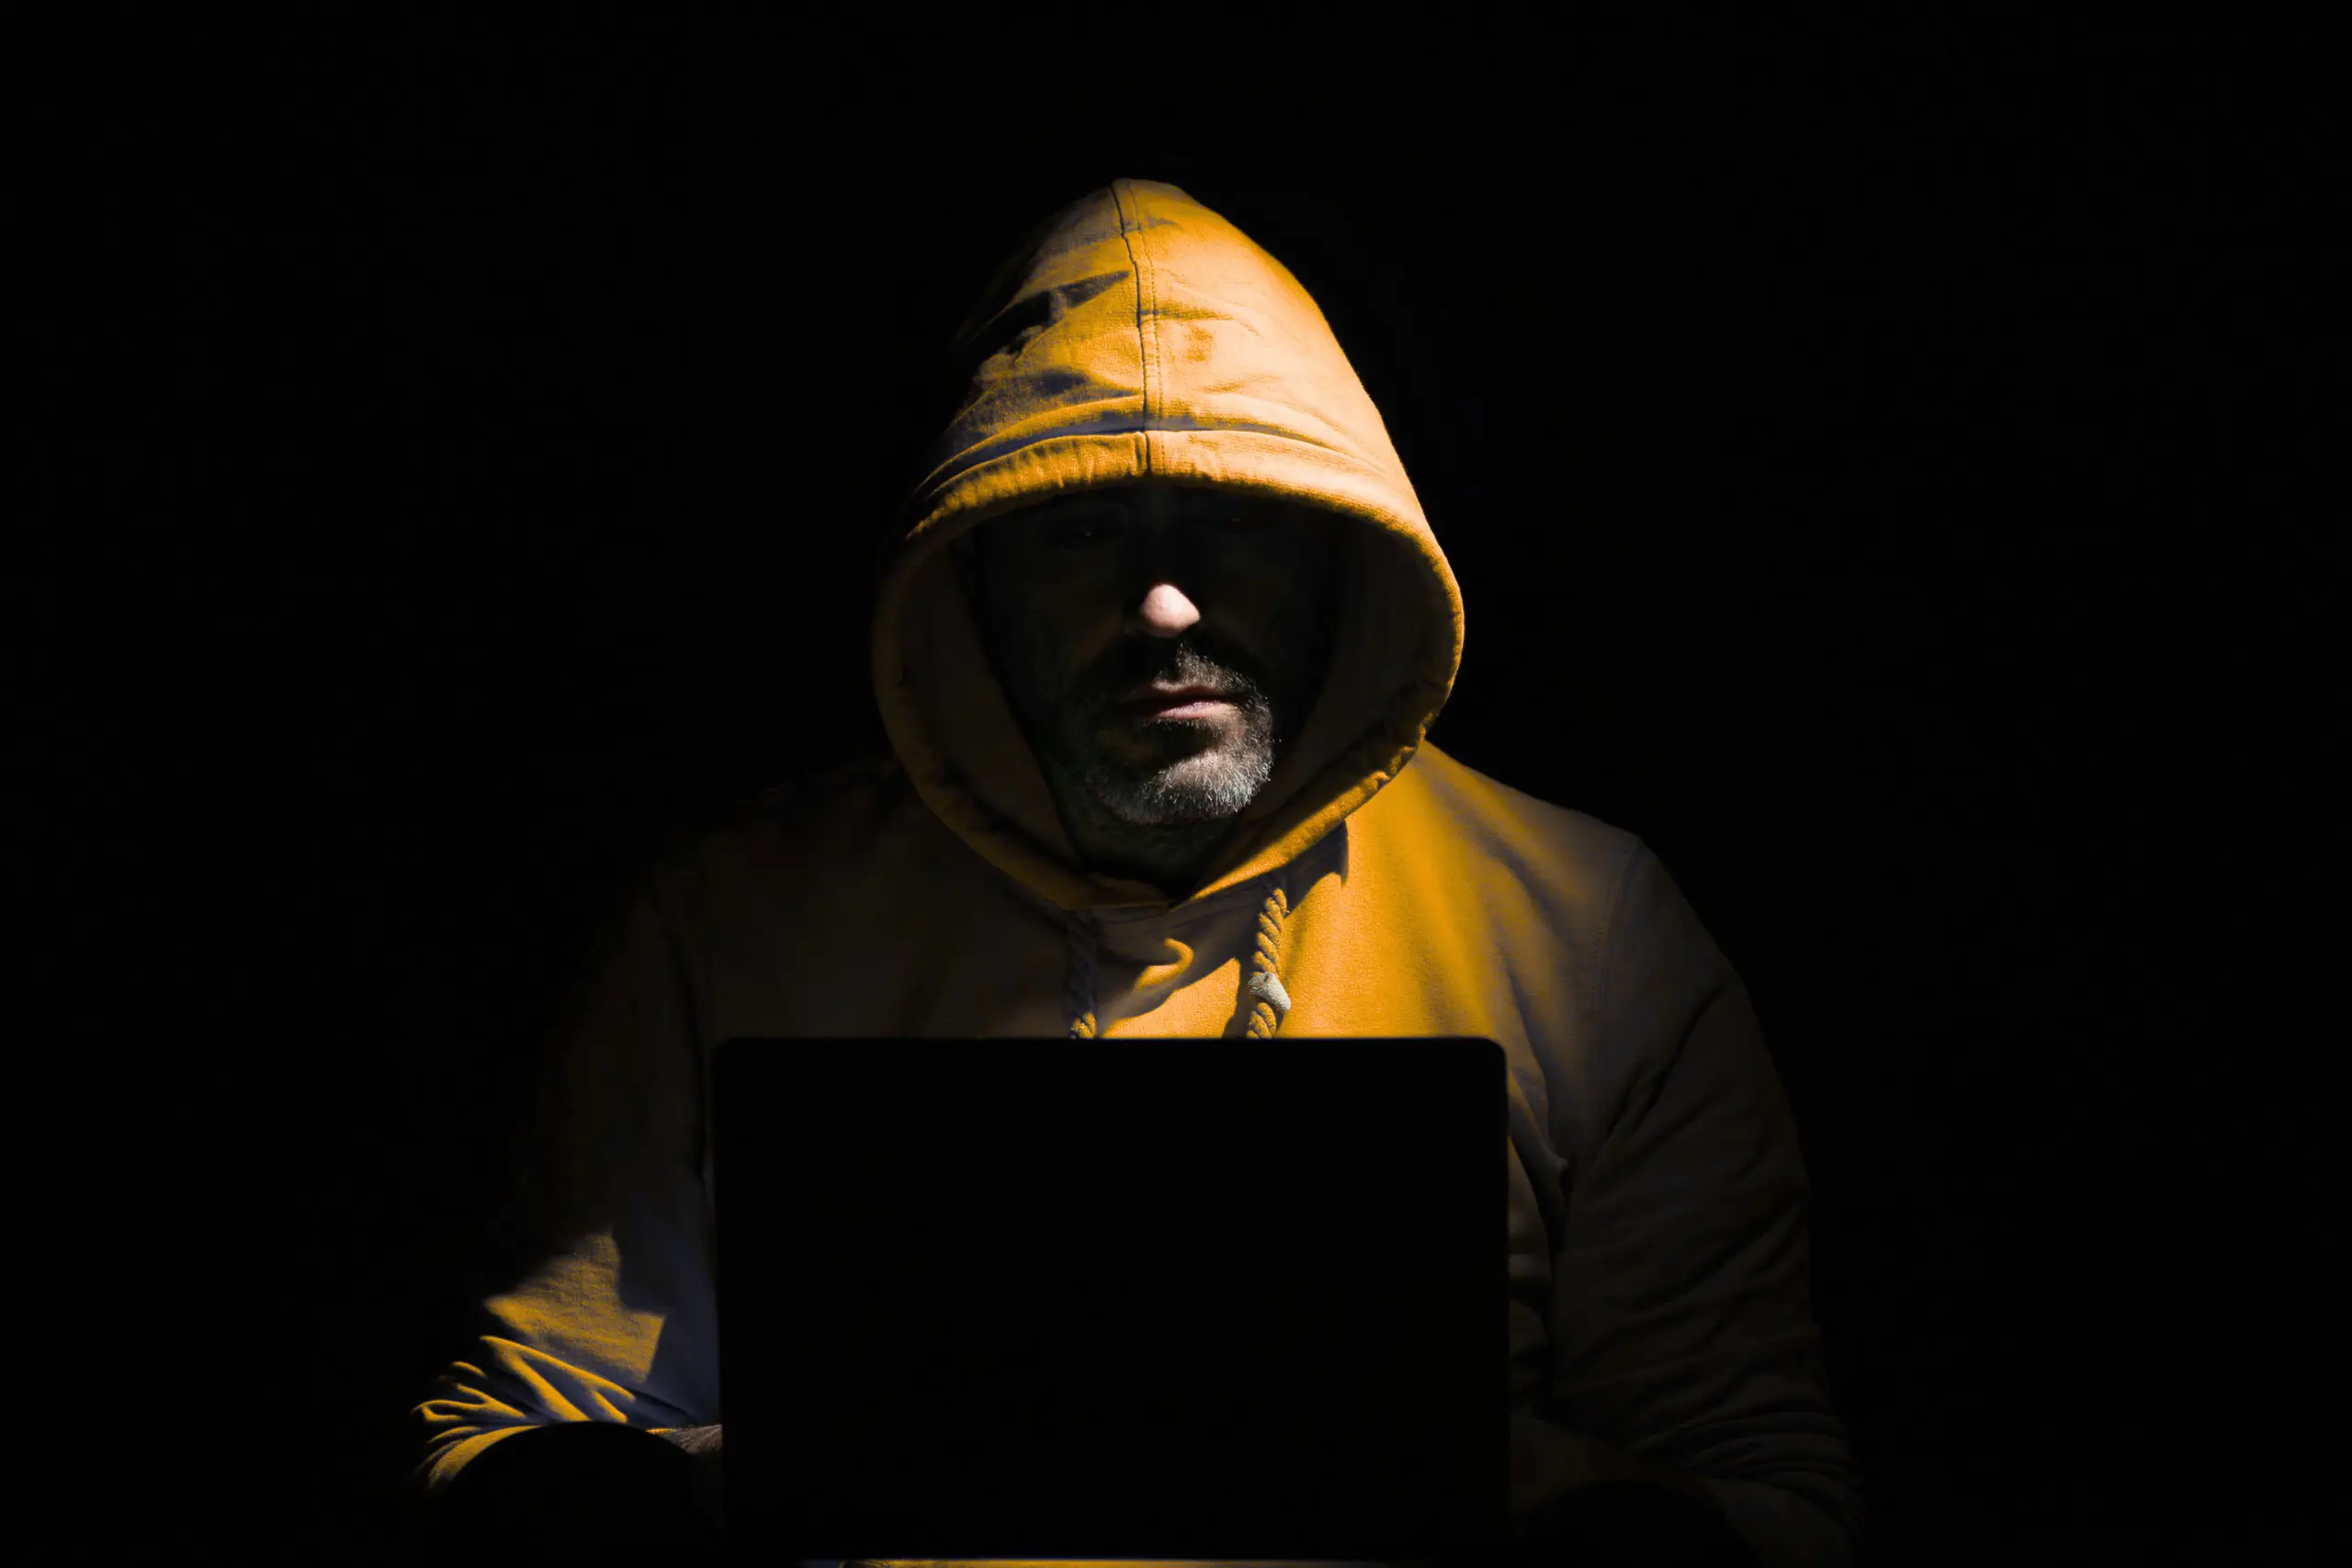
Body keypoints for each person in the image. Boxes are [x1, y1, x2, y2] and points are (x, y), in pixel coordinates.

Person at [408, 178, 1864, 1567]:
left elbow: (1769, 1508)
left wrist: (1492, 1477)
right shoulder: (724, 925)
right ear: (968, 574)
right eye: (1084, 529)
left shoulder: (1590, 928)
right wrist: (812, 1471)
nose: (1164, 603)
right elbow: (504, 1451)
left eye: (1229, 518)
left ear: (1338, 558)